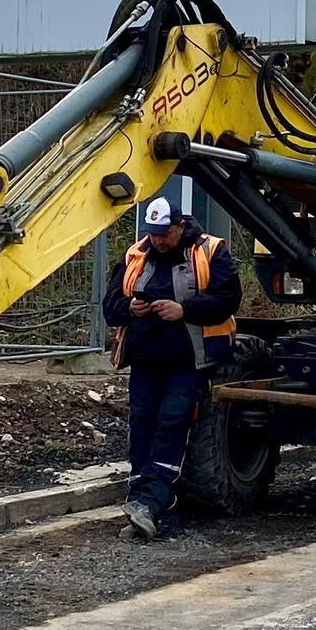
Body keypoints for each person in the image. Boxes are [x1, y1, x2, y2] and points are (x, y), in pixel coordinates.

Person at [101, 197, 240, 540]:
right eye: (153, 234)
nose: (159, 241)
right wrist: (130, 308)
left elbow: (227, 299)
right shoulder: (136, 255)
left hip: (187, 360)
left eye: (164, 234)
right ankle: (140, 498)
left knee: (172, 423)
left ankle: (153, 500)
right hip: (145, 359)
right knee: (142, 424)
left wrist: (184, 310)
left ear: (180, 226)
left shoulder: (209, 252)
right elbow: (110, 307)